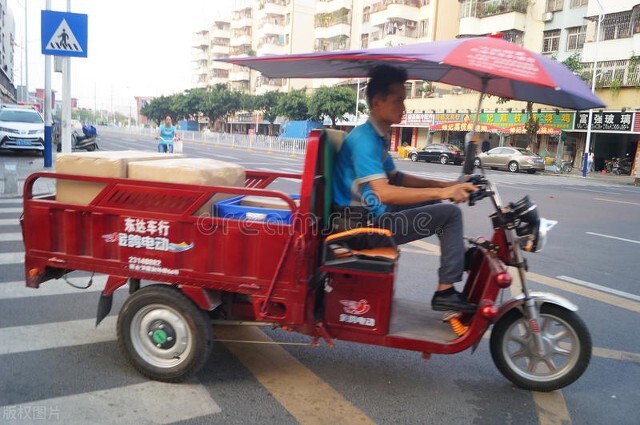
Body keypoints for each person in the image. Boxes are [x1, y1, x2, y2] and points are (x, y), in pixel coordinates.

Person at [332, 65, 478, 313]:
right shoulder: (364, 140)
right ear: (377, 103)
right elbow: (384, 192)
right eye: (398, 100)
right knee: (450, 214)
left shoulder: (375, 136)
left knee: (434, 205)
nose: (404, 108)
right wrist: (443, 193)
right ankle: (445, 291)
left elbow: (396, 177)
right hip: (359, 227)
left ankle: (458, 257)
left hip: (369, 216)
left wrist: (446, 185)